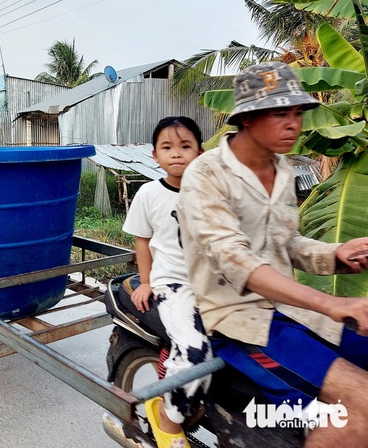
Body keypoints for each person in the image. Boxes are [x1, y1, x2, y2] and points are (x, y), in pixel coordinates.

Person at [177, 61, 368, 445]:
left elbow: (289, 243)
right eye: (281, 112)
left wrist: (338, 254)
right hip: (240, 322)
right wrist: (330, 303)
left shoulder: (282, 168)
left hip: (291, 311)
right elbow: (237, 261)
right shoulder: (205, 175)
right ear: (247, 118)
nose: (294, 123)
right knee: (359, 406)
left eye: (297, 112)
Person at [123, 116, 211, 448]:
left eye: (185, 146)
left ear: (200, 152)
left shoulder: (210, 191)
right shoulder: (148, 193)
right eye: (167, 147)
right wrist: (145, 282)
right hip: (173, 285)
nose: (177, 154)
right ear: (155, 155)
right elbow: (143, 241)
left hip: (212, 284)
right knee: (196, 353)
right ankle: (168, 417)